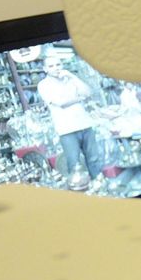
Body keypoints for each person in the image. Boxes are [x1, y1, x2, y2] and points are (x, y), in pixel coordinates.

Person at [38, 49, 103, 190]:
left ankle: (100, 188)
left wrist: (71, 76)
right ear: (45, 69)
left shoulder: (69, 79)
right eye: (51, 66)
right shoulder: (43, 85)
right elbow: (60, 102)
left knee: (94, 160)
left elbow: (88, 92)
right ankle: (81, 192)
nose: (56, 68)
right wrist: (79, 98)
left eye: (58, 64)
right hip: (67, 130)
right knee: (74, 164)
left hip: (85, 125)